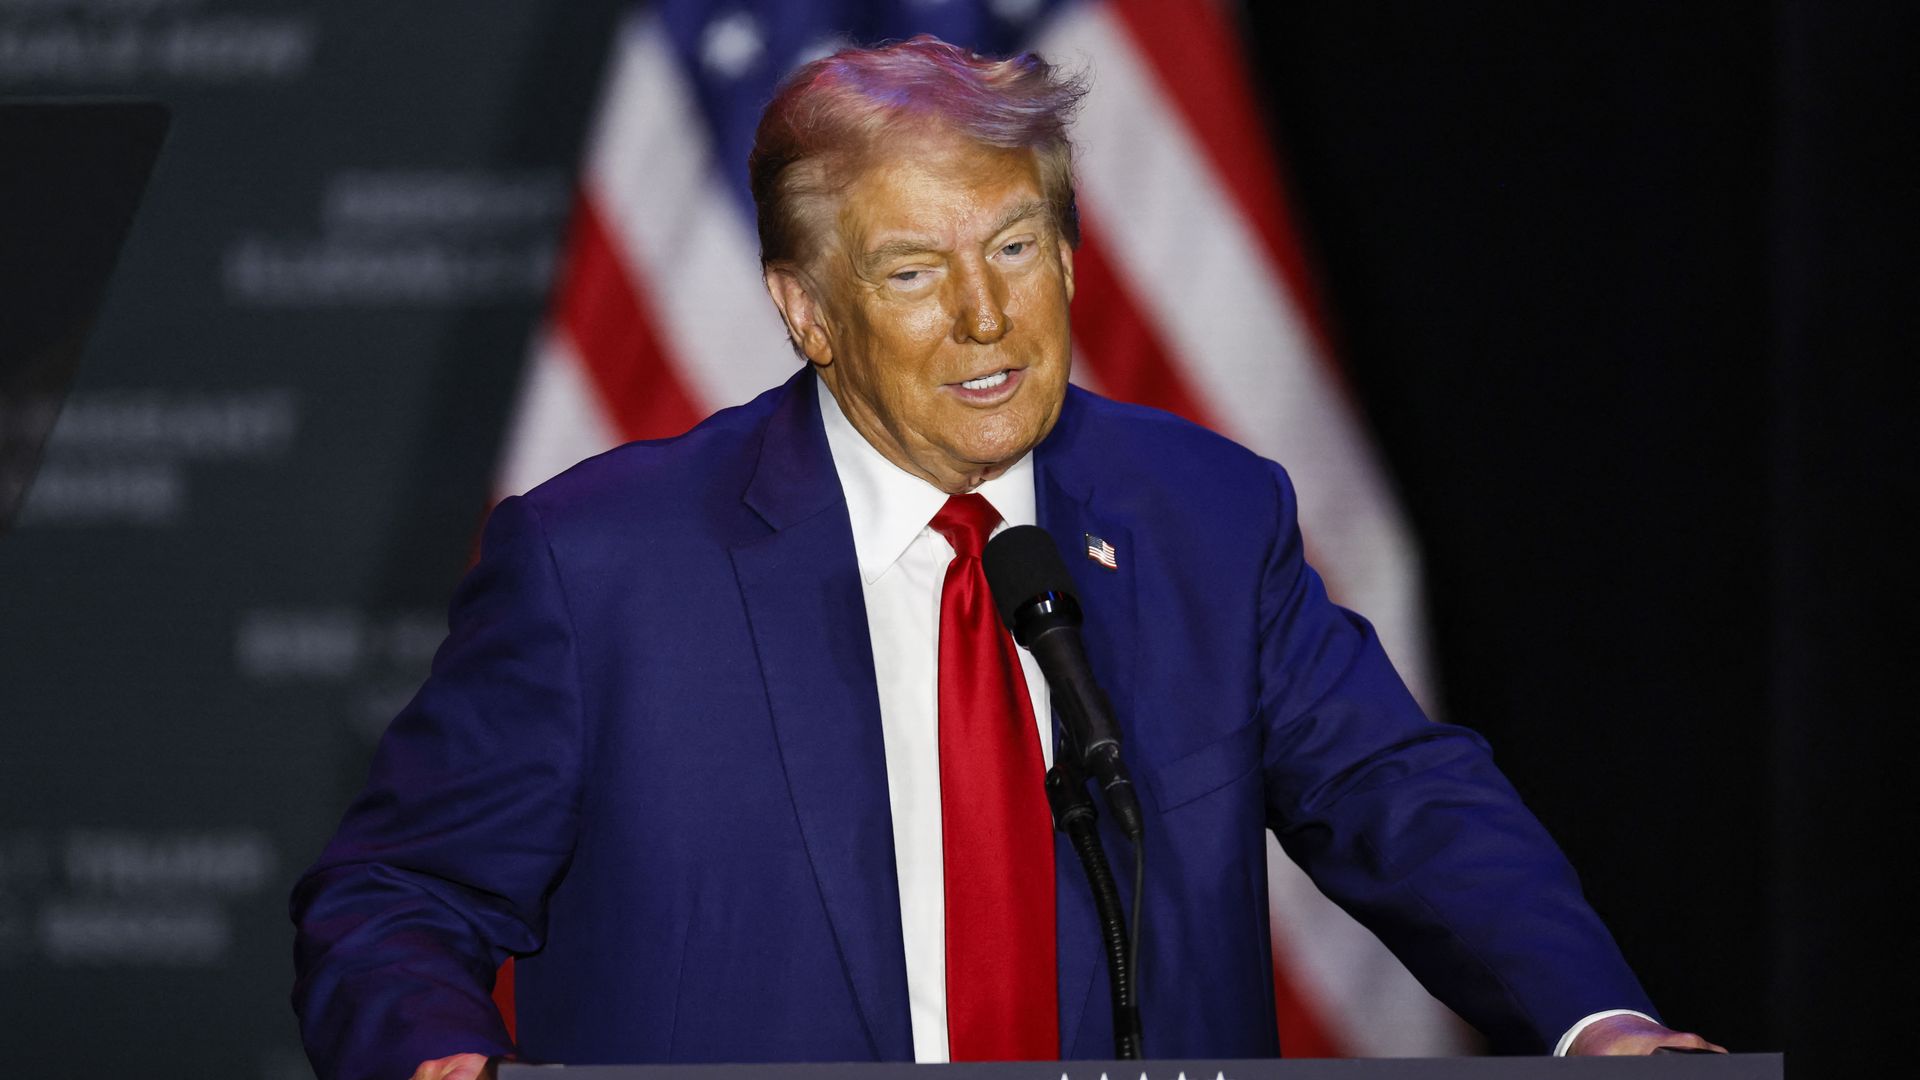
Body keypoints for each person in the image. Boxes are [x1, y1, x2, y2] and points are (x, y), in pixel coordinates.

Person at [291, 37, 1722, 1080]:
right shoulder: (601, 563)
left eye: (1018, 247)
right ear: (806, 309)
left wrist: (1596, 1022)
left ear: (1074, 259)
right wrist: (436, 1060)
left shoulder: (1206, 516)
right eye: (914, 270)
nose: (986, 318)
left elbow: (1394, 795)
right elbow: (396, 892)